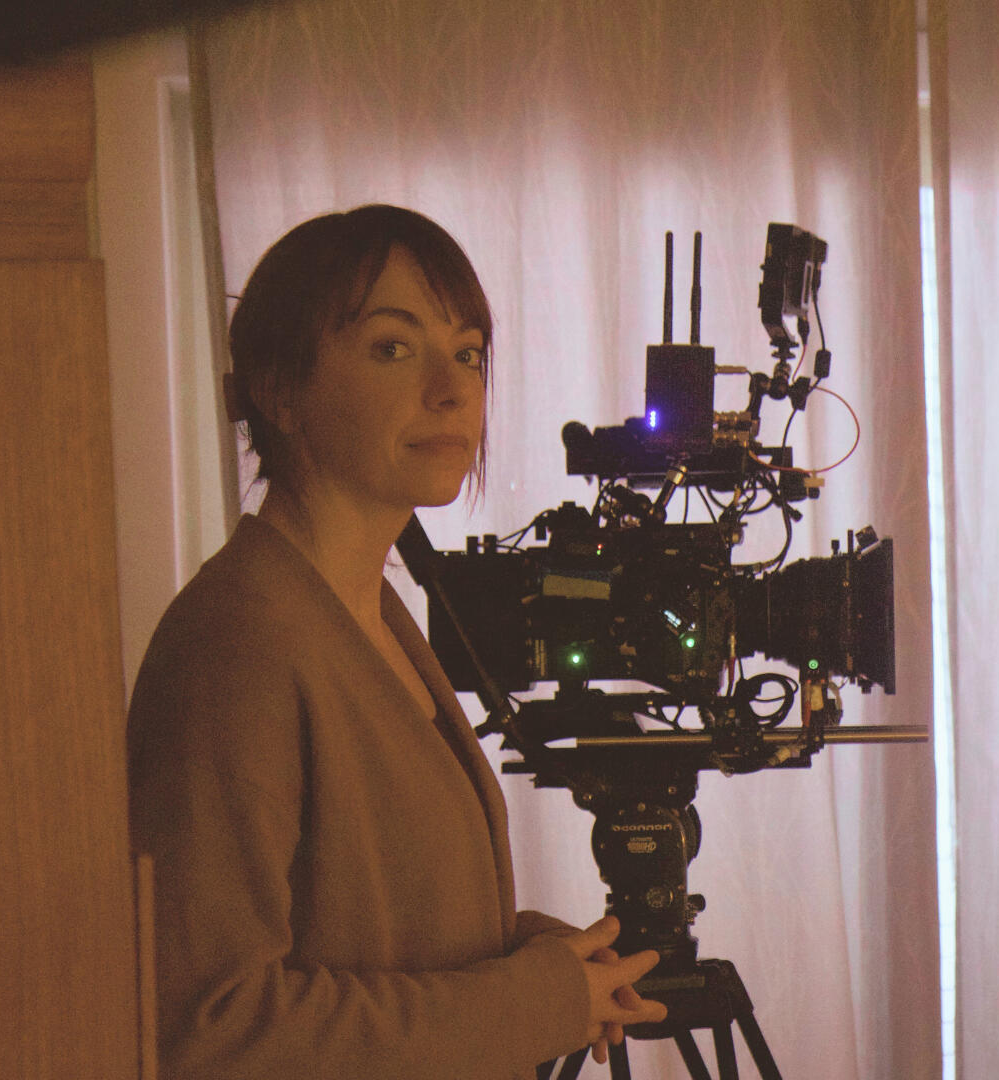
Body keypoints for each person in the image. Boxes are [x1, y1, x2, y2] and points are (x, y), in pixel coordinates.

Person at [126, 204, 666, 1080]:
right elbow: (209, 1026)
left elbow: (367, 924)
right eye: (392, 347)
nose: (452, 390)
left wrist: (546, 966)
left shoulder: (372, 611)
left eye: (469, 353)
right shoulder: (239, 643)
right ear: (279, 389)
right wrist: (526, 1003)